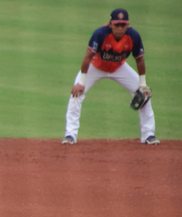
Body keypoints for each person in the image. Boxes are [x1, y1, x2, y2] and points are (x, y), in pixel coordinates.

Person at [62, 8, 160, 145]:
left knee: (144, 95)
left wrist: (142, 84)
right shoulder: (100, 34)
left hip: (119, 68)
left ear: (128, 25)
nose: (120, 28)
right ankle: (70, 135)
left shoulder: (134, 36)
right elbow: (88, 57)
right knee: (76, 94)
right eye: (117, 24)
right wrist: (81, 82)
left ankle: (148, 135)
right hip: (96, 67)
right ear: (110, 24)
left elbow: (140, 60)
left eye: (123, 25)